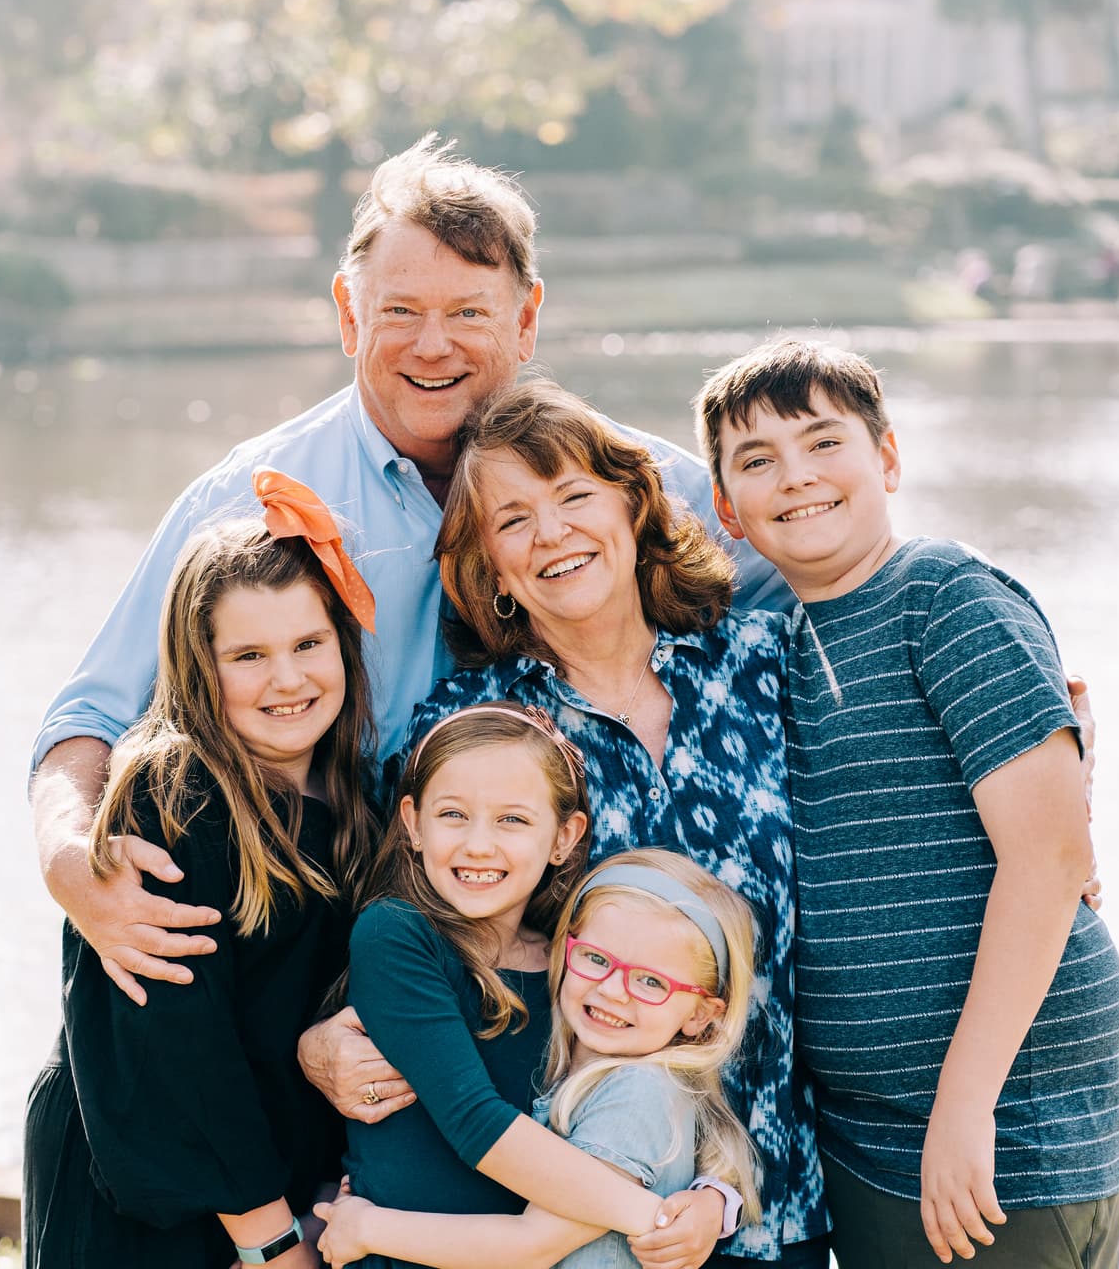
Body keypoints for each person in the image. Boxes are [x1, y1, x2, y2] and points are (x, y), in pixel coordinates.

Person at [27, 133, 786, 1020]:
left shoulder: (640, 492)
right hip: (293, 947)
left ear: (527, 319)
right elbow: (91, 715)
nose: (434, 347)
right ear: (349, 313)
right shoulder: (243, 498)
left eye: (470, 312)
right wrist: (69, 863)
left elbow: (822, 599)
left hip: (575, 983)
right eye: (400, 312)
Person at [696, 338, 1119, 1268]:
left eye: (823, 443)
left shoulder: (942, 595)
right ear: (728, 511)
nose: (797, 477)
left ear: (887, 459)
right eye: (757, 461)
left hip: (999, 1129)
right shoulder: (782, 639)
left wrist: (964, 1105)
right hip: (872, 1140)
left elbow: (1051, 855)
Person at [372, 379, 825, 1267]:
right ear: (489, 567)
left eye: (576, 496)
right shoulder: (471, 728)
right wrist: (331, 1032)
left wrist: (1059, 763)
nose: (553, 534)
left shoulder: (761, 661)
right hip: (590, 1210)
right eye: (513, 520)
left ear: (634, 505)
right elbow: (414, 934)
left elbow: (909, 761)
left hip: (774, 1186)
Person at [22, 480, 378, 1269]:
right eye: (249, 656)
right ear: (197, 666)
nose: (287, 680)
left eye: (307, 645)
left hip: (268, 1179)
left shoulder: (355, 796)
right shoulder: (172, 797)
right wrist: (272, 1244)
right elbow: (180, 1046)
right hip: (161, 1196)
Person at [320, 703, 715, 1268]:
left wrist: (708, 1200)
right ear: (412, 823)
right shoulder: (397, 934)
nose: (480, 845)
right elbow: (475, 1123)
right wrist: (651, 1216)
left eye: (512, 820)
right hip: (399, 1254)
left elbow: (671, 1081)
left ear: (564, 837)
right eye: (454, 814)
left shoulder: (575, 960)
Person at [316, 848, 762, 1269]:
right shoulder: (583, 1069)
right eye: (594, 958)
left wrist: (367, 1228)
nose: (611, 989)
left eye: (650, 982)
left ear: (702, 1014)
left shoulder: (637, 1093)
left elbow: (532, 1244)